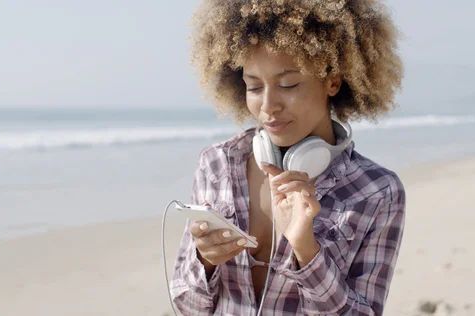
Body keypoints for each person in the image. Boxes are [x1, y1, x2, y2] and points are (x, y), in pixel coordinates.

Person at [170, 0, 406, 315]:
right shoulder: (217, 165)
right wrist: (206, 262)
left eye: (288, 84)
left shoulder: (377, 192)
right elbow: (186, 304)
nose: (268, 106)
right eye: (254, 87)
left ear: (332, 80)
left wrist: (306, 251)